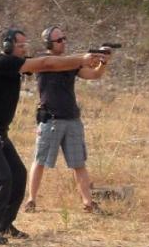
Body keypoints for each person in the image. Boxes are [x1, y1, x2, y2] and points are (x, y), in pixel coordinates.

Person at [0, 29, 107, 245]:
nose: (25, 49)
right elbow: (46, 64)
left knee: (18, 175)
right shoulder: (2, 62)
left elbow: (51, 63)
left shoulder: (13, 62)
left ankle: (3, 224)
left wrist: (91, 61)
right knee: (2, 178)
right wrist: (81, 59)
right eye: (20, 46)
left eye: (25, 45)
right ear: (7, 45)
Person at [23, 26, 110, 214]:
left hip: (71, 118)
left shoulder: (72, 63)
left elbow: (94, 75)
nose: (63, 42)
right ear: (48, 44)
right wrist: (82, 59)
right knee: (39, 160)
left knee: (79, 163)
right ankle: (31, 199)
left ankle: (88, 202)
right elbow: (51, 64)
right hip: (51, 119)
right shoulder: (42, 62)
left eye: (64, 38)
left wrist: (102, 62)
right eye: (59, 40)